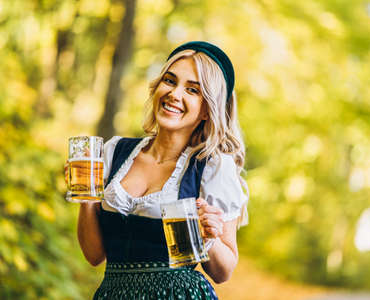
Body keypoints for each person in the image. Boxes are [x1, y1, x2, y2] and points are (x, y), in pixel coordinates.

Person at [74, 41, 248, 299]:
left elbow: (223, 272)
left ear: (206, 111)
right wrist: (87, 194)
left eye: (192, 90)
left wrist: (209, 237)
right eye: (170, 81)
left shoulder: (211, 167)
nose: (175, 94)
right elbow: (94, 255)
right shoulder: (115, 152)